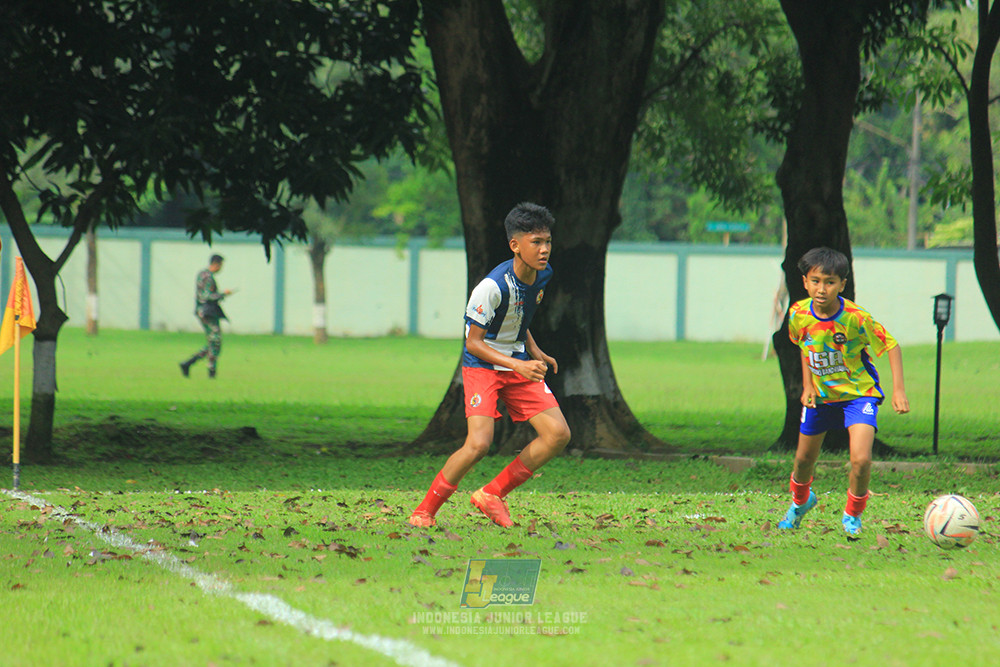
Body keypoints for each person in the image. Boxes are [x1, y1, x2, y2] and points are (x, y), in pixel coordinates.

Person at [408, 202, 571, 528]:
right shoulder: (491, 287)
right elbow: (473, 342)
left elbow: (519, 316)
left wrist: (534, 350)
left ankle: (491, 494)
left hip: (517, 362)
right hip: (483, 365)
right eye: (536, 242)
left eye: (548, 241)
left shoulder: (543, 274)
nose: (544, 249)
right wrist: (517, 364)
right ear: (515, 245)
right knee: (478, 445)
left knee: (557, 435)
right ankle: (423, 512)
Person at [778, 247, 909, 536]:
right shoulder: (798, 314)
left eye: (830, 282)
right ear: (805, 282)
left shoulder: (855, 318)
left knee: (861, 460)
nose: (821, 289)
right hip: (821, 399)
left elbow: (891, 345)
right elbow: (805, 347)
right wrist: (808, 385)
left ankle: (852, 515)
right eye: (815, 281)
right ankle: (800, 503)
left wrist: (898, 390)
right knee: (803, 461)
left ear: (842, 285)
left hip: (859, 396)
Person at [179, 254, 232, 379]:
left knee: (213, 342)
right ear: (216, 264)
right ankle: (210, 371)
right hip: (207, 312)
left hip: (204, 311)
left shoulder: (202, 274)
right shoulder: (208, 277)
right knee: (215, 341)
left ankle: (189, 363)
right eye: (221, 265)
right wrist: (222, 294)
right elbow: (206, 296)